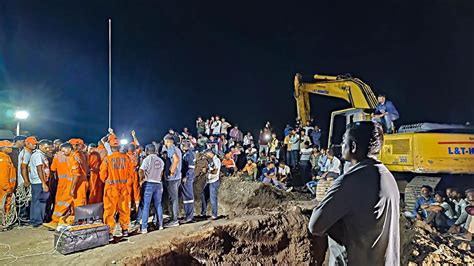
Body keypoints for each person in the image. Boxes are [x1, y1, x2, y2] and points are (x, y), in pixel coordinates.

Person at [309, 121, 400, 266]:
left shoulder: (350, 181)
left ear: (353, 146)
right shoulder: (388, 178)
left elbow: (315, 225)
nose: (341, 144)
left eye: (344, 141)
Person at [100, 135, 134, 241]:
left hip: (111, 189)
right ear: (119, 147)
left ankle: (110, 233)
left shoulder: (107, 160)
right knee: (124, 210)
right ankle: (125, 230)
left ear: (110, 147)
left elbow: (102, 175)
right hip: (124, 189)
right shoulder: (127, 158)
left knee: (109, 211)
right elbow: (131, 174)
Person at [44, 142, 74, 229]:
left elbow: (53, 169)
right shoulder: (76, 156)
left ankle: (57, 220)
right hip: (73, 182)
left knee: (60, 201)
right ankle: (65, 220)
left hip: (62, 182)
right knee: (71, 202)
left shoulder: (57, 156)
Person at [138, 144, 165, 233]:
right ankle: (160, 225)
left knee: (146, 205)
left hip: (148, 183)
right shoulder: (161, 161)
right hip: (158, 184)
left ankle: (144, 228)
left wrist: (141, 180)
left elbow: (141, 170)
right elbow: (161, 173)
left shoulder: (147, 159)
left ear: (147, 150)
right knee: (158, 204)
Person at [28, 139, 53, 227]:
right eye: (46, 147)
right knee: (40, 202)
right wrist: (43, 183)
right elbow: (39, 169)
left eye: (49, 148)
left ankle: (34, 220)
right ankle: (37, 221)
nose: (48, 149)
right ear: (41, 146)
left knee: (36, 202)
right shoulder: (38, 155)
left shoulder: (39, 154)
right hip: (39, 182)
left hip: (37, 182)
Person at [16, 136, 37, 224]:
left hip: (28, 180)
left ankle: (25, 217)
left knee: (27, 200)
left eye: (35, 144)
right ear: (27, 144)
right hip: (24, 182)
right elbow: (23, 168)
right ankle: (23, 219)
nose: (35, 146)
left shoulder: (29, 152)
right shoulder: (25, 153)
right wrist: (26, 181)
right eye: (33, 144)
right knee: (23, 200)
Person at [163, 134, 182, 227]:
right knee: (174, 199)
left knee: (173, 199)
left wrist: (171, 172)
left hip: (173, 178)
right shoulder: (178, 149)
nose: (164, 144)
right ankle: (173, 218)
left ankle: (174, 220)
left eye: (165, 142)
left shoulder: (171, 148)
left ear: (168, 141)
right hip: (178, 177)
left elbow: (176, 160)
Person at [201, 149, 221, 220]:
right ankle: (203, 213)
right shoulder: (211, 160)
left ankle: (214, 215)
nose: (206, 156)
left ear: (209, 153)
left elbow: (215, 171)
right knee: (203, 196)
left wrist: (207, 170)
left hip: (214, 181)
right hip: (209, 181)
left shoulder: (216, 160)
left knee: (213, 198)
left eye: (206, 155)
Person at [0, 140, 16, 224]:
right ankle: (2, 223)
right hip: (4, 189)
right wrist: (7, 188)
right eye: (9, 147)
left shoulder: (6, 157)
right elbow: (2, 176)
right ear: (3, 148)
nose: (11, 148)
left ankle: (4, 222)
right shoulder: (2, 159)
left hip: (7, 188)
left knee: (6, 205)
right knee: (2, 205)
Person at [180, 141, 196, 223]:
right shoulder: (187, 154)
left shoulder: (189, 155)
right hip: (186, 177)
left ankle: (189, 216)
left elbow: (191, 168)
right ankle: (188, 215)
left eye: (182, 145)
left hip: (187, 178)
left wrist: (186, 176)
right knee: (186, 197)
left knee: (188, 197)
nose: (181, 147)